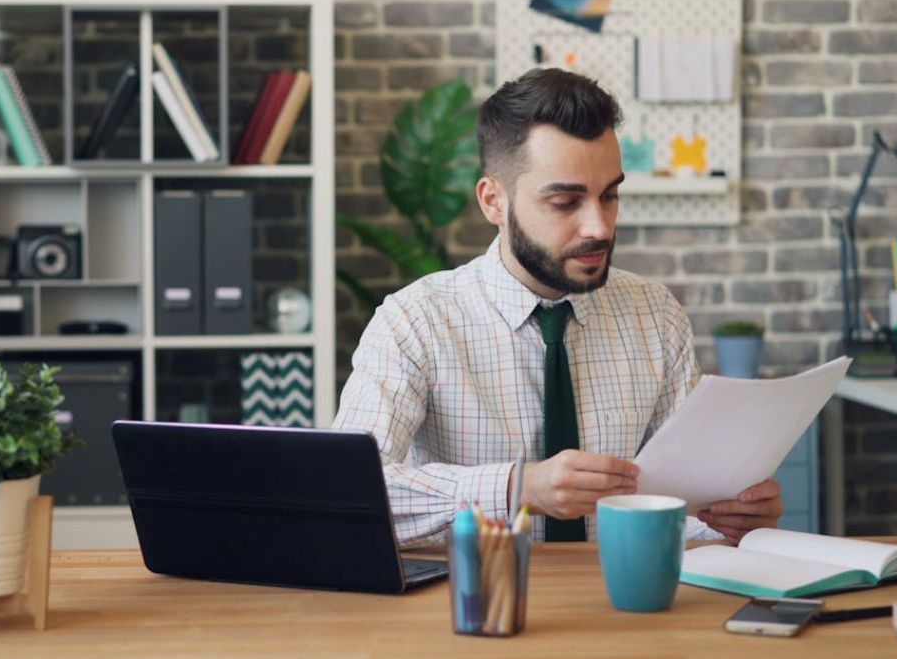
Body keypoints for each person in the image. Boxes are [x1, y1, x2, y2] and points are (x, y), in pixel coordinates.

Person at [333, 67, 782, 546]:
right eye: (566, 202)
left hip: (624, 601)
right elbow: (346, 489)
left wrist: (726, 517)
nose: (599, 227)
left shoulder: (655, 314)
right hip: (472, 606)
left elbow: (681, 497)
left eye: (609, 195)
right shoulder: (415, 321)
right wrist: (517, 487)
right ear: (493, 202)